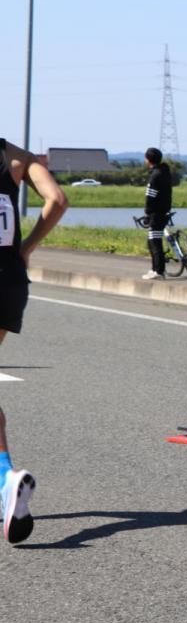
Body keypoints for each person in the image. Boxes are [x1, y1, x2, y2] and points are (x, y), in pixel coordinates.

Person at [0, 137, 69, 543]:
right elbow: (58, 200)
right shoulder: (16, 158)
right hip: (8, 281)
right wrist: (25, 249)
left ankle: (7, 480)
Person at [140, 147, 172, 280]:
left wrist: (147, 213)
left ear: (148, 160)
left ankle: (158, 271)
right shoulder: (165, 172)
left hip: (156, 213)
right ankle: (156, 269)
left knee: (154, 242)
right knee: (154, 240)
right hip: (164, 210)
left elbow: (150, 197)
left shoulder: (155, 175)